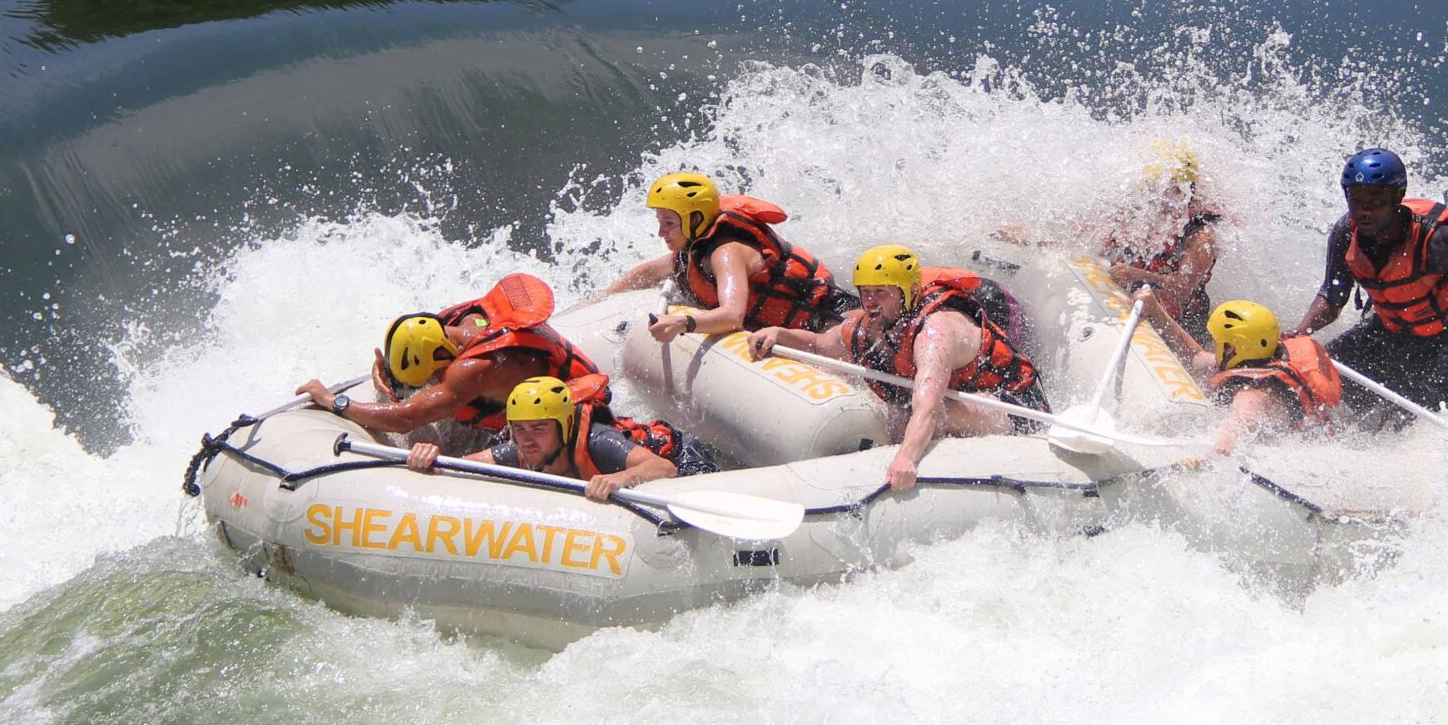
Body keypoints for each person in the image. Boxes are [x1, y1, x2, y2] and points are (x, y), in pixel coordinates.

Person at [751, 245, 1044, 491]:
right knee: (888, 404)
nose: (870, 303)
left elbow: (928, 408)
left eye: (881, 293)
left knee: (910, 412)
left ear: (909, 291)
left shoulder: (935, 334)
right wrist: (780, 334)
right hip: (961, 403)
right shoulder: (872, 328)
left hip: (1015, 408)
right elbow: (821, 344)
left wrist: (906, 457)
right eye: (865, 292)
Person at [1298, 149, 1448, 418]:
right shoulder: (1346, 233)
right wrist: (1299, 333)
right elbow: (1332, 299)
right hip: (1391, 333)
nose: (1364, 211)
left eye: (1376, 201)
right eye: (1356, 199)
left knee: (1406, 415)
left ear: (1397, 198)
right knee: (1313, 378)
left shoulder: (1440, 240)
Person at [294, 276, 608, 446]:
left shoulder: (474, 369)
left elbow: (406, 418)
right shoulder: (457, 321)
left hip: (576, 418)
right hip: (529, 407)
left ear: (443, 358)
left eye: (432, 377)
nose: (431, 385)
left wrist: (335, 401)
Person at [996, 141, 1222, 339]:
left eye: (1173, 194)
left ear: (1187, 192)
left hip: (1181, 324)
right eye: (1157, 190)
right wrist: (1023, 234)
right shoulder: (1139, 213)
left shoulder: (1201, 236)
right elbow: (1079, 233)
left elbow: (1181, 290)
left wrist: (1137, 274)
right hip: (1135, 303)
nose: (1163, 202)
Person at [598, 170, 848, 344]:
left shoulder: (725, 252)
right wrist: (601, 298)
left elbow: (733, 316)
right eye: (660, 222)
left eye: (669, 223)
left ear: (695, 219)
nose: (661, 232)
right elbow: (649, 272)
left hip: (830, 318)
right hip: (800, 327)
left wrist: (682, 323)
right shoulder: (693, 249)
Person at [404, 376, 713, 501]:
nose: (527, 440)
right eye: (520, 429)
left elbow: (664, 469)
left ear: (564, 427)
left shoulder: (598, 442)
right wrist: (429, 459)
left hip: (685, 460)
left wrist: (618, 479)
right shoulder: (521, 449)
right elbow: (459, 467)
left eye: (539, 429)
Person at [1140, 293, 1342, 457]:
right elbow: (1197, 356)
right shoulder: (1261, 362)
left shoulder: (1254, 392)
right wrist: (1155, 310)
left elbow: (1244, 417)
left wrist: (1222, 446)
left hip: (1295, 456)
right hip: (1317, 434)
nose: (1214, 346)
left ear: (1232, 350)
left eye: (1218, 342)